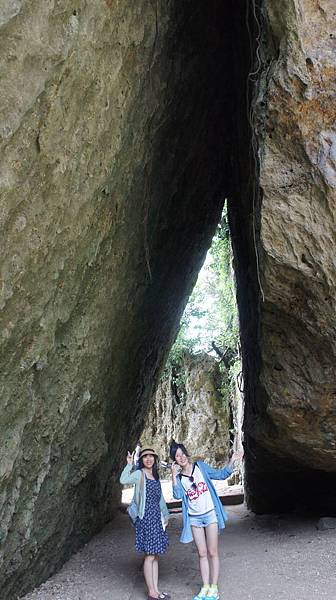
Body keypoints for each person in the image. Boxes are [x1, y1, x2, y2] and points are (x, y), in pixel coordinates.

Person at [170, 440, 242, 600]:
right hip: (194, 519)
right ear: (174, 461)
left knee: (212, 551)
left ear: (186, 454)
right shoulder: (180, 479)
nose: (181, 457)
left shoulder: (200, 467)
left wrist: (233, 460)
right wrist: (174, 477)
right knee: (202, 553)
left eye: (182, 453)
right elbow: (177, 496)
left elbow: (221, 475)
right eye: (177, 456)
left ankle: (214, 588)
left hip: (210, 515)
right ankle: (205, 587)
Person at [120, 447, 170, 600]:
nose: (148, 459)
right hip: (146, 518)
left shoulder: (155, 475)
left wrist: (166, 515)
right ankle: (151, 592)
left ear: (155, 459)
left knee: (155, 555)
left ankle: (156, 590)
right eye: (145, 457)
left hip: (156, 518)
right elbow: (123, 480)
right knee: (149, 555)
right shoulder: (139, 474)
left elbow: (160, 498)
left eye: (151, 456)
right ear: (141, 460)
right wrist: (129, 464)